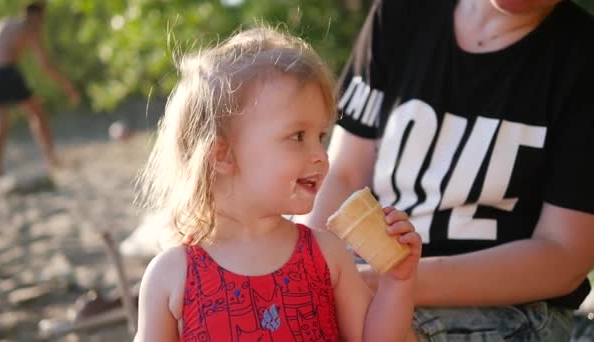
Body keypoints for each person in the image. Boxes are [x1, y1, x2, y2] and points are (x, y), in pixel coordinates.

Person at [297, 0, 594, 340]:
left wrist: (382, 283)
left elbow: (563, 257)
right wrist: (307, 272)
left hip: (509, 308)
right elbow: (343, 176)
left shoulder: (583, 58)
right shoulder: (401, 12)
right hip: (371, 275)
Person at [133, 27, 422, 341]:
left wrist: (397, 281)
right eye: (297, 136)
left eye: (321, 137)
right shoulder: (173, 274)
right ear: (223, 155)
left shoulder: (325, 256)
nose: (321, 156)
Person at [0, 1, 80, 178]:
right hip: (5, 72)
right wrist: (68, 86)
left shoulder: (6, 23)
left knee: (1, 125)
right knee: (37, 114)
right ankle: (52, 160)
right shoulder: (30, 29)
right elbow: (45, 65)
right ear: (37, 15)